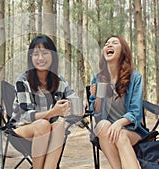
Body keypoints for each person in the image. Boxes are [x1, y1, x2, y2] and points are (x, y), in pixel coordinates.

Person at [11, 34, 75, 169]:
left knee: (59, 123)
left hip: (49, 130)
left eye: (45, 53)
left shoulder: (59, 80)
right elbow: (25, 115)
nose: (40, 58)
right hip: (22, 130)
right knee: (42, 125)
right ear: (30, 57)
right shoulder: (23, 80)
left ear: (53, 56)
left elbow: (72, 97)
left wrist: (77, 103)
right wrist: (53, 112)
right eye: (36, 54)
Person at [89, 35, 148, 169]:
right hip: (107, 130)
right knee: (103, 125)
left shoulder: (134, 77)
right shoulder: (97, 78)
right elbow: (97, 114)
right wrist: (98, 96)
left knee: (120, 135)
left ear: (123, 51)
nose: (109, 45)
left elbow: (136, 112)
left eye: (114, 43)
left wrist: (119, 123)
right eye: (107, 43)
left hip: (131, 130)